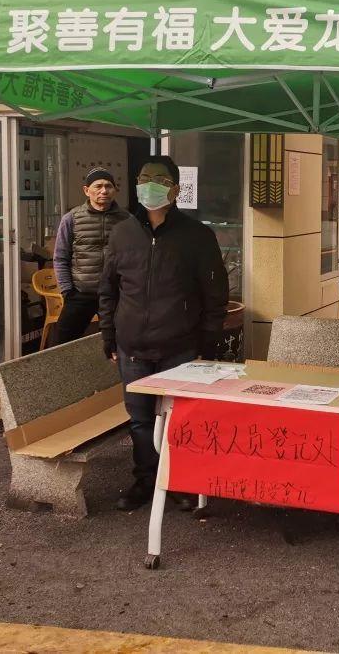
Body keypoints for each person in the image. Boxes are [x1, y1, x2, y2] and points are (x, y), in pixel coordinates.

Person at [100, 156, 229, 511]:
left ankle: (180, 480)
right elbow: (108, 289)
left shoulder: (198, 236)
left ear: (175, 189)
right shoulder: (122, 232)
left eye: (159, 180)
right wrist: (109, 336)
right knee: (140, 420)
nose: (150, 185)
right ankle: (146, 480)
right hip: (133, 348)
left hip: (180, 348)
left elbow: (215, 295)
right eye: (144, 179)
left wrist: (208, 344)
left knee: (179, 420)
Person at [50, 167, 131, 346]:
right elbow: (60, 257)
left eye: (108, 186)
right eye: (98, 186)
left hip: (115, 294)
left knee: (119, 343)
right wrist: (67, 291)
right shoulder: (71, 219)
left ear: (115, 190)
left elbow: (134, 257)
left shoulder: (127, 220)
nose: (104, 191)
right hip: (80, 293)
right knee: (62, 344)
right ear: (87, 190)